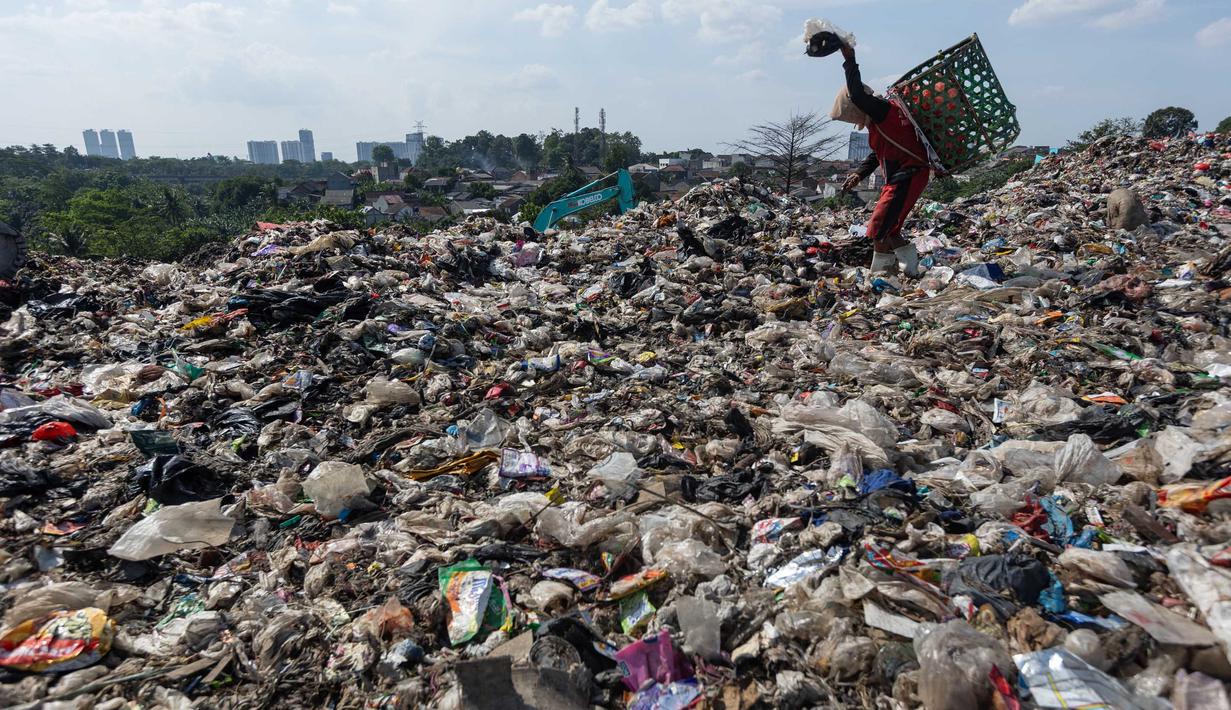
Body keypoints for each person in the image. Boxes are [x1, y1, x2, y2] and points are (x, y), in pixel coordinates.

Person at [831, 43, 930, 276]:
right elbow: (879, 153)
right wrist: (859, 174)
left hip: (908, 174)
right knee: (891, 228)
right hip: (904, 176)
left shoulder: (883, 110)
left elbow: (855, 93)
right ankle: (912, 271)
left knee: (877, 228)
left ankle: (881, 275)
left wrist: (849, 58)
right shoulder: (882, 122)